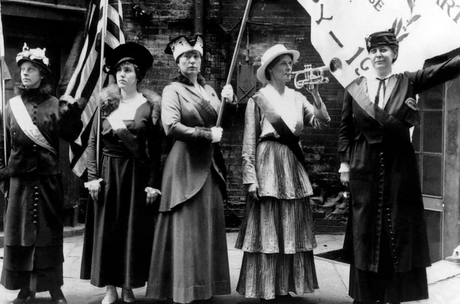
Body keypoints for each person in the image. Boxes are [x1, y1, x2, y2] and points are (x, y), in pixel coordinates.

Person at [338, 29, 460, 304]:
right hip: (363, 166)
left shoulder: (409, 81)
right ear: (369, 56)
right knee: (366, 231)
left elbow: (445, 70)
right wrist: (345, 163)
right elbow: (345, 129)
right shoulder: (355, 87)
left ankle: (395, 295)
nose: (378, 55)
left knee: (399, 228)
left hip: (399, 167)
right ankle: (365, 296)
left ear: (394, 53)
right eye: (373, 50)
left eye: (384, 50)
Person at [0, 44, 84, 304]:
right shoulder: (11, 106)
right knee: (20, 236)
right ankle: (24, 288)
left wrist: (72, 114)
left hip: (48, 180)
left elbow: (71, 135)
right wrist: (4, 177)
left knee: (48, 236)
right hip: (20, 183)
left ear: (43, 74)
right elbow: (0, 147)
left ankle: (53, 288)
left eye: (32, 69)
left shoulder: (55, 105)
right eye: (23, 70)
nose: (25, 74)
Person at [235, 44, 330, 300]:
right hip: (266, 162)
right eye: (283, 65)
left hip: (291, 163)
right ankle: (267, 286)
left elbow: (321, 120)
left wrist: (317, 95)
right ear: (270, 70)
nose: (289, 68)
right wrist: (250, 179)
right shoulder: (257, 100)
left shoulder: (298, 97)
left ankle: (287, 284)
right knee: (268, 225)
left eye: (291, 64)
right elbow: (248, 142)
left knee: (292, 225)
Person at [146, 34, 236, 304]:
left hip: (208, 166)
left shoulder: (209, 90)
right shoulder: (171, 90)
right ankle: (182, 288)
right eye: (186, 57)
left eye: (196, 56)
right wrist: (207, 135)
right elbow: (170, 126)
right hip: (184, 164)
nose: (192, 61)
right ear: (178, 61)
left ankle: (204, 286)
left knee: (206, 227)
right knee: (186, 228)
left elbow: (222, 127)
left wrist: (228, 104)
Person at [80, 42, 163, 304]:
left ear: (138, 75)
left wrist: (152, 184)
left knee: (133, 231)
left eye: (127, 70)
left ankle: (128, 286)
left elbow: (156, 149)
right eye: (118, 70)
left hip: (136, 176)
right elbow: (93, 143)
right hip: (108, 173)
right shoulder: (105, 105)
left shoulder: (150, 107)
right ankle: (110, 288)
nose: (121, 75)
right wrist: (92, 178)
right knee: (110, 232)